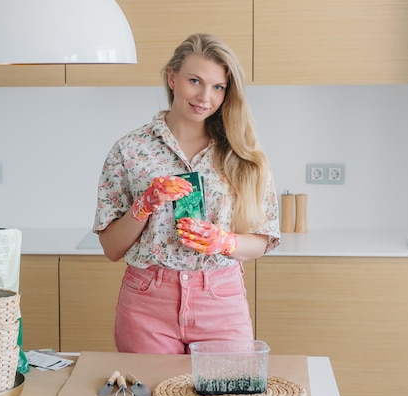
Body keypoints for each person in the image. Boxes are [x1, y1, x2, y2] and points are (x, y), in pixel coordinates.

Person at [94, 33, 280, 354]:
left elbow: (263, 239)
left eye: (218, 87)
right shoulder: (130, 150)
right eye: (195, 80)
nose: (204, 96)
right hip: (147, 301)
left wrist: (223, 241)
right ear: (172, 78)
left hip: (220, 300)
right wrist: (144, 205)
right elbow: (111, 249)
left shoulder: (243, 154)